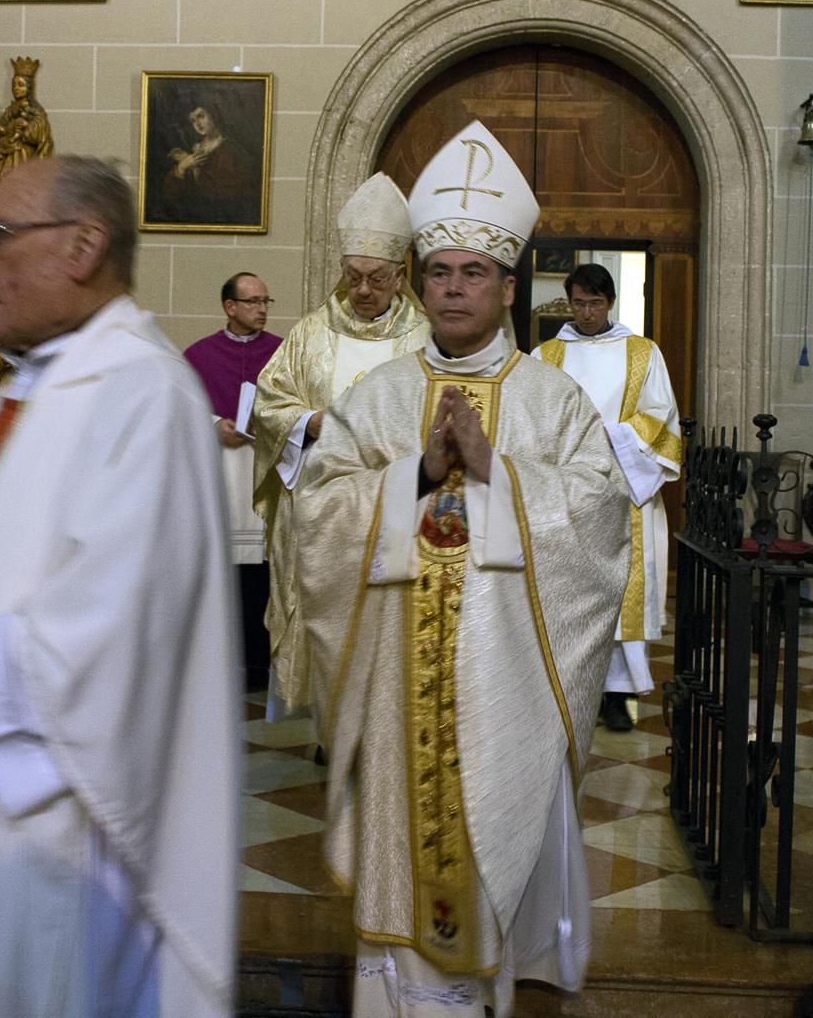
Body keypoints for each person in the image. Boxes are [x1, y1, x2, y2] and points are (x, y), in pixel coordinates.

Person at [294, 122, 632, 1017]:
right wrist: (413, 476)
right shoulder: (381, 396)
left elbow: (602, 516)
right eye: (438, 271)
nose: (452, 288)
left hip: (507, 691)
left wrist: (495, 470)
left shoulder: (551, 400)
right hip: (400, 690)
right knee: (404, 861)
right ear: (418, 281)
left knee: (497, 855)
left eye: (472, 272)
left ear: (508, 286)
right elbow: (318, 512)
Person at [0, 156, 242, 1017]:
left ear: (81, 246)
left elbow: (108, 635)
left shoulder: (143, 394)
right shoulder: (21, 394)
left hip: (50, 833)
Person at [253, 172, 429, 717]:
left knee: (383, 613)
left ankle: (379, 717)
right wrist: (307, 424)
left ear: (400, 277)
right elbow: (268, 400)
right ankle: (329, 716)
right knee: (325, 609)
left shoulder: (423, 339)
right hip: (321, 505)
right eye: (353, 276)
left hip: (391, 504)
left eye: (376, 278)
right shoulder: (310, 333)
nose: (363, 290)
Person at [533, 262, 681, 732]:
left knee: (619, 591)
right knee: (572, 592)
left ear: (610, 302)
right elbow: (531, 421)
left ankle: (616, 695)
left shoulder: (642, 353)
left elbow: (661, 417)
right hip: (566, 492)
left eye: (596, 304)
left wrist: (610, 438)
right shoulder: (546, 355)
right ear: (568, 301)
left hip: (623, 487)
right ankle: (571, 690)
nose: (587, 312)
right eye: (579, 303)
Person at [184, 273, 282, 686]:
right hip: (222, 476)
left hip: (265, 474)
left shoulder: (283, 353)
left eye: (265, 301)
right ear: (230, 307)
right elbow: (182, 413)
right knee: (224, 573)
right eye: (253, 301)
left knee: (263, 573)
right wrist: (213, 426)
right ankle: (220, 664)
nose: (261, 309)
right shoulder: (199, 355)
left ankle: (260, 666)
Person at [162, 105, 253, 225]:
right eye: (193, 120)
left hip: (221, 217)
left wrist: (195, 169)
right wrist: (181, 167)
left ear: (213, 114)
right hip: (191, 218)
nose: (197, 124)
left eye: (201, 116)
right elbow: (169, 196)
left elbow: (233, 190)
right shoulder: (193, 147)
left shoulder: (230, 149)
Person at [0, 57, 54, 185]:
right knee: (5, 185)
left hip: (23, 154)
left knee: (21, 185)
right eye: (14, 84)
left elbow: (41, 135)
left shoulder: (35, 110)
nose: (16, 88)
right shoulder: (10, 110)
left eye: (21, 85)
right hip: (6, 155)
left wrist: (26, 127)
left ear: (29, 87)